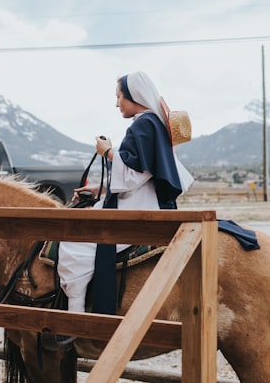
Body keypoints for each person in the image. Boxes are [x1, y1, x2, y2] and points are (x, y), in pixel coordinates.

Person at [57, 71, 194, 319]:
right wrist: (100, 190)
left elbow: (133, 176)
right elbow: (144, 175)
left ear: (135, 96)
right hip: (146, 199)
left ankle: (75, 315)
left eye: (119, 96)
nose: (116, 102)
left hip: (138, 206)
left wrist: (108, 151)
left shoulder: (143, 125)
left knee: (72, 241)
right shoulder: (152, 123)